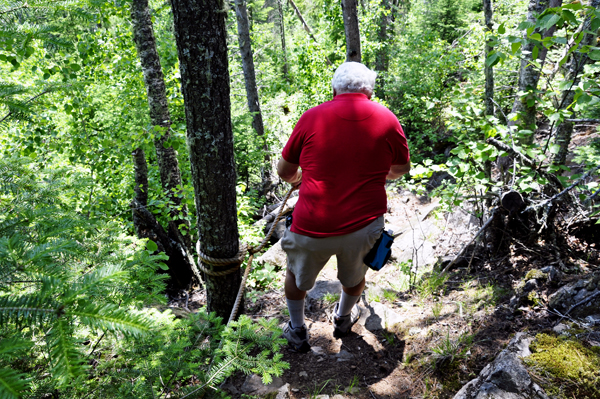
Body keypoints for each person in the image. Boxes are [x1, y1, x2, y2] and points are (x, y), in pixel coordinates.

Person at [277, 62, 410, 352]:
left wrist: (300, 178)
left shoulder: (312, 117)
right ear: (370, 91)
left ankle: (298, 330)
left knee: (296, 277)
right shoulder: (387, 119)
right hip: (362, 225)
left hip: (312, 224)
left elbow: (284, 171)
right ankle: (342, 318)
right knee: (355, 277)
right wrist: (380, 175)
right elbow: (401, 167)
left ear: (335, 88)